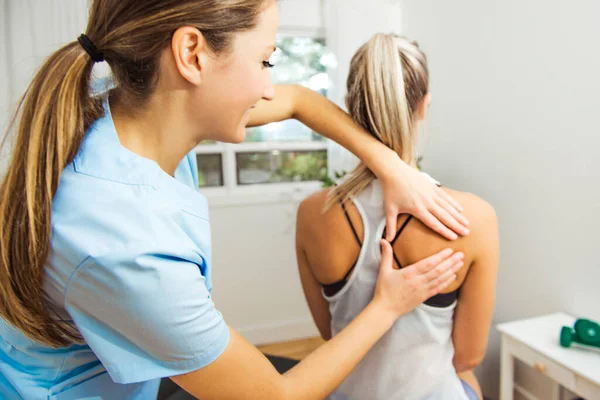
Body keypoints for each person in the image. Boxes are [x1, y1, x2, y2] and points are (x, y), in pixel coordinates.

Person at [0, 2, 470, 399]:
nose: (268, 86)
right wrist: (388, 303)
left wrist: (392, 168)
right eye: (265, 60)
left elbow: (299, 100)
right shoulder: (126, 247)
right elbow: (275, 397)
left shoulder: (127, 111)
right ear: (192, 54)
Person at [296, 34, 499, 400]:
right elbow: (468, 356)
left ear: (348, 108)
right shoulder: (475, 217)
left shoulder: (313, 212)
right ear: (424, 106)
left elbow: (331, 336)